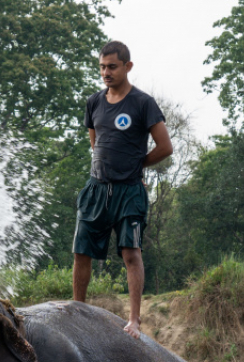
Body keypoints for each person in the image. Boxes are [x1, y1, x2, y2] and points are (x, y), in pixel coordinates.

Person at [72, 40, 173, 339]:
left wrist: (136, 166)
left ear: (128, 66)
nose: (106, 72)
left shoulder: (143, 103)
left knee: (131, 254)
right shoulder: (94, 102)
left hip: (129, 192)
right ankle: (78, 312)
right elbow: (96, 142)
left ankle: (134, 320)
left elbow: (165, 147)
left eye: (112, 67)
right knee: (81, 252)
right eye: (102, 67)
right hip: (96, 189)